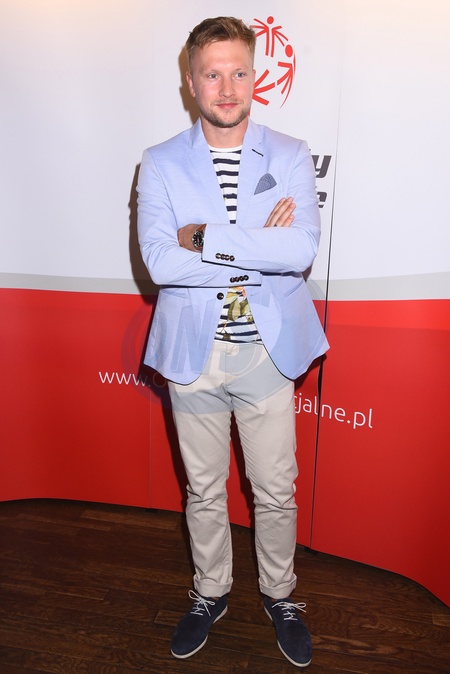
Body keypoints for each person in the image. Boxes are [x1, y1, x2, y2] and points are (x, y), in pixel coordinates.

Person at [137, 16, 329, 668]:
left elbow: (298, 251)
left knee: (275, 489)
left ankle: (281, 594)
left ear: (255, 77)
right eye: (212, 74)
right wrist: (258, 246)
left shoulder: (291, 154)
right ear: (191, 83)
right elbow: (160, 263)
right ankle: (210, 590)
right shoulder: (161, 161)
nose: (226, 87)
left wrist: (205, 238)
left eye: (238, 72)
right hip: (193, 355)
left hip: (266, 353)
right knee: (203, 489)